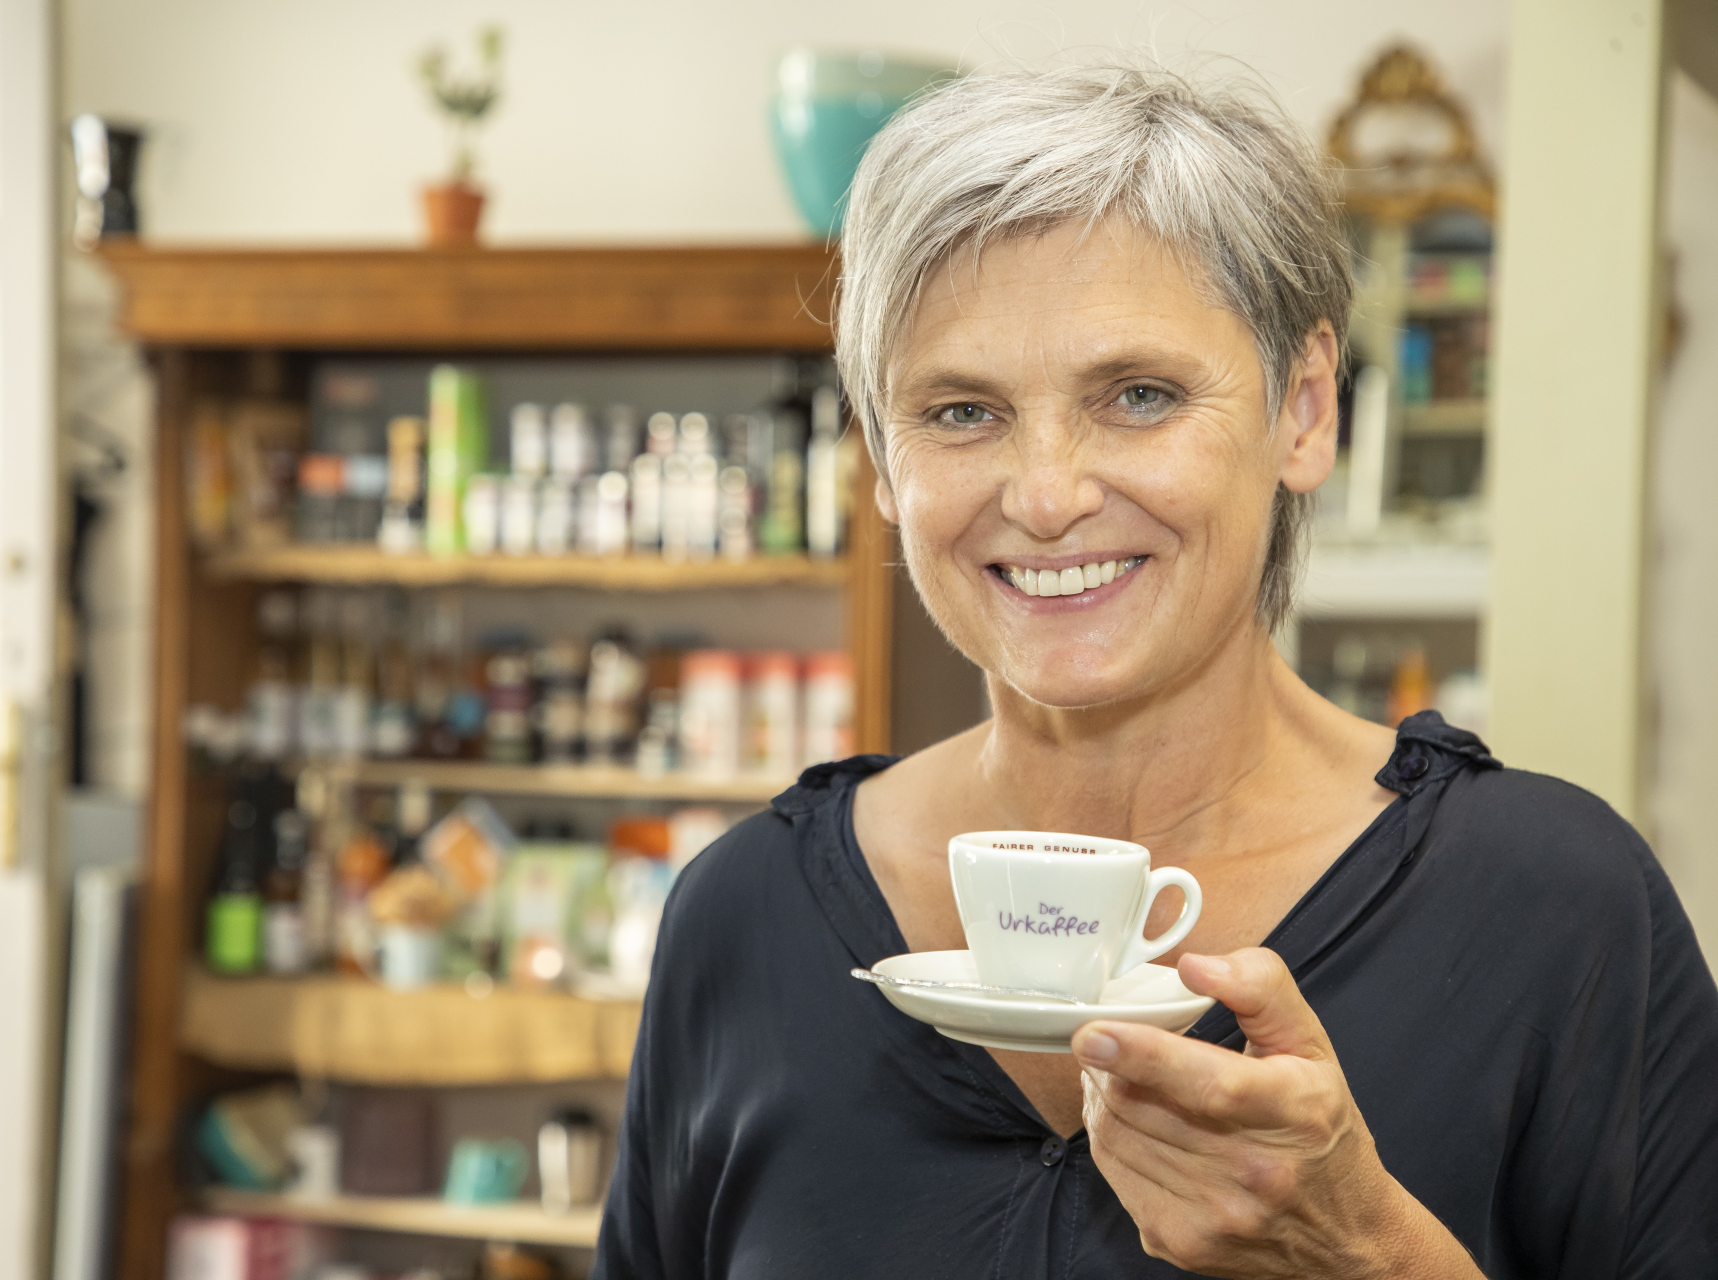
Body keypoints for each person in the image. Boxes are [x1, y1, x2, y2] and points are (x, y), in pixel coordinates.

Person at [593, 66, 1718, 1278]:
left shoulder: (1555, 908)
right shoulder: (742, 915)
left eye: (1139, 395)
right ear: (878, 458)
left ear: (1304, 408)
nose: (1047, 494)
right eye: (963, 411)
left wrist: (1372, 1252)